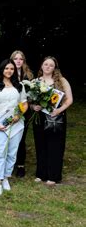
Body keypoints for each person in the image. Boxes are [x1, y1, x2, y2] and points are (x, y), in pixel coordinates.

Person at [0, 59, 28, 197]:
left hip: (16, 123)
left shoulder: (19, 86)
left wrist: (18, 115)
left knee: (12, 152)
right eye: (6, 68)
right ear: (2, 70)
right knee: (0, 152)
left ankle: (6, 177)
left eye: (11, 69)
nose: (9, 71)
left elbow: (24, 104)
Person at [31, 56, 73, 186]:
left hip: (56, 117)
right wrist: (34, 106)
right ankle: (41, 173)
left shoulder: (61, 80)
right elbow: (30, 101)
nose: (48, 67)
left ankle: (53, 176)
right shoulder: (35, 81)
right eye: (46, 64)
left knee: (55, 146)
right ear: (42, 66)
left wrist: (58, 111)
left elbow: (69, 100)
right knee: (40, 145)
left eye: (51, 65)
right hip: (40, 117)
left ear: (55, 68)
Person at [10, 50, 34, 178]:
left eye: (21, 59)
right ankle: (9, 162)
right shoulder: (7, 72)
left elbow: (32, 95)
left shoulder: (29, 76)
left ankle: (20, 165)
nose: (18, 61)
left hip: (24, 110)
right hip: (8, 109)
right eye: (15, 59)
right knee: (8, 136)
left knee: (21, 138)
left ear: (23, 61)